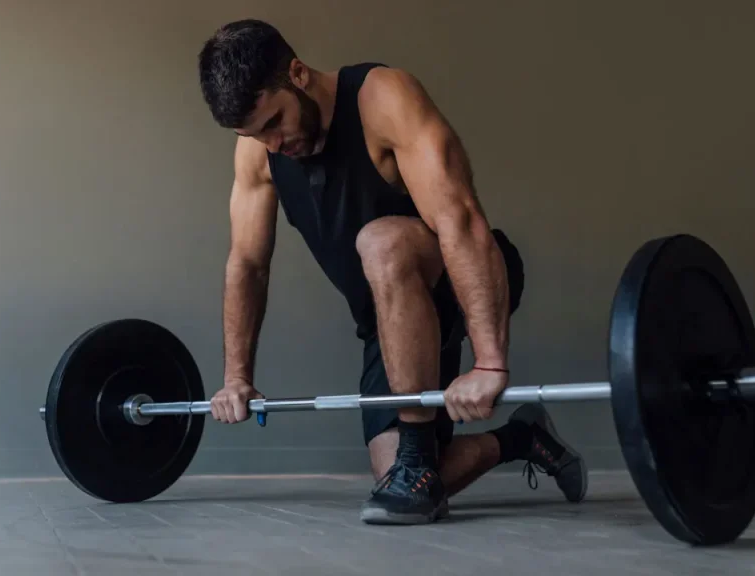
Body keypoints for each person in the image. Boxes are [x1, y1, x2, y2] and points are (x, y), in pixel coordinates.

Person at [196, 19, 587, 525]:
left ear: (297, 74)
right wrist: (237, 378)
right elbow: (247, 264)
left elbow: (460, 220)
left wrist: (490, 362)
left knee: (379, 241)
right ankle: (523, 437)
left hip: (457, 272)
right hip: (391, 317)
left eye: (275, 123)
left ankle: (421, 443)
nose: (272, 144)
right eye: (253, 134)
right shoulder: (259, 150)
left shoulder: (382, 98)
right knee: (399, 481)